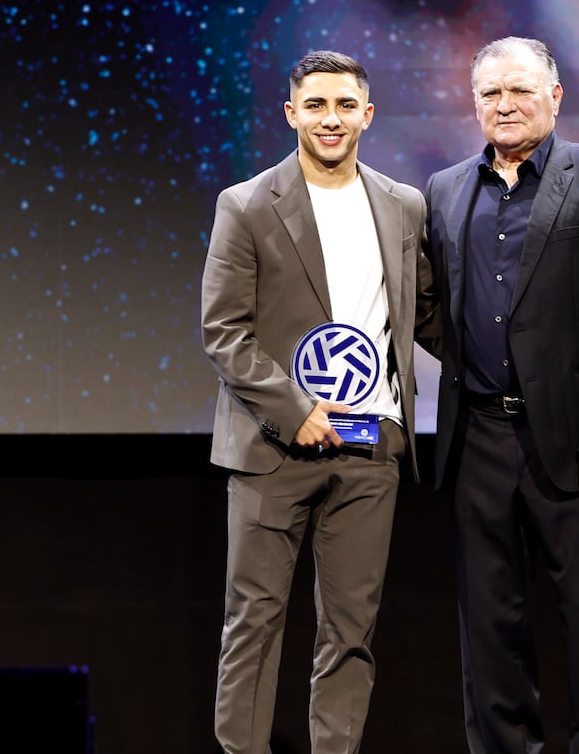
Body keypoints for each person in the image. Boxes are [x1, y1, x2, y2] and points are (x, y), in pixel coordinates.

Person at [422, 36, 579, 753]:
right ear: (474, 104)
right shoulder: (443, 189)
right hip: (477, 443)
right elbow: (439, 311)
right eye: (491, 93)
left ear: (555, 97)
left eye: (521, 90)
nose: (505, 105)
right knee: (490, 638)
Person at [201, 50, 433, 754]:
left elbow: (422, 313)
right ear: (291, 113)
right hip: (275, 448)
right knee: (255, 622)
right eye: (316, 105)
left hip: (370, 449)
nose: (330, 119)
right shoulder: (245, 205)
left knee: (351, 631)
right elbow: (224, 331)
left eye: (344, 106)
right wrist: (294, 409)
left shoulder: (403, 204)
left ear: (367, 114)